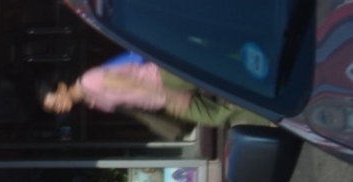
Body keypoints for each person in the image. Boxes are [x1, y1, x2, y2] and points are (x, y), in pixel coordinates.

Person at [41, 54, 263, 129]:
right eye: (55, 109)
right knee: (213, 117)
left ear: (61, 86)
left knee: (219, 73)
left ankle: (258, 66)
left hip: (162, 80)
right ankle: (267, 116)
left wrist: (169, 95)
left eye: (55, 100)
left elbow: (133, 86)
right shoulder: (91, 100)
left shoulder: (90, 81)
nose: (59, 107)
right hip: (162, 99)